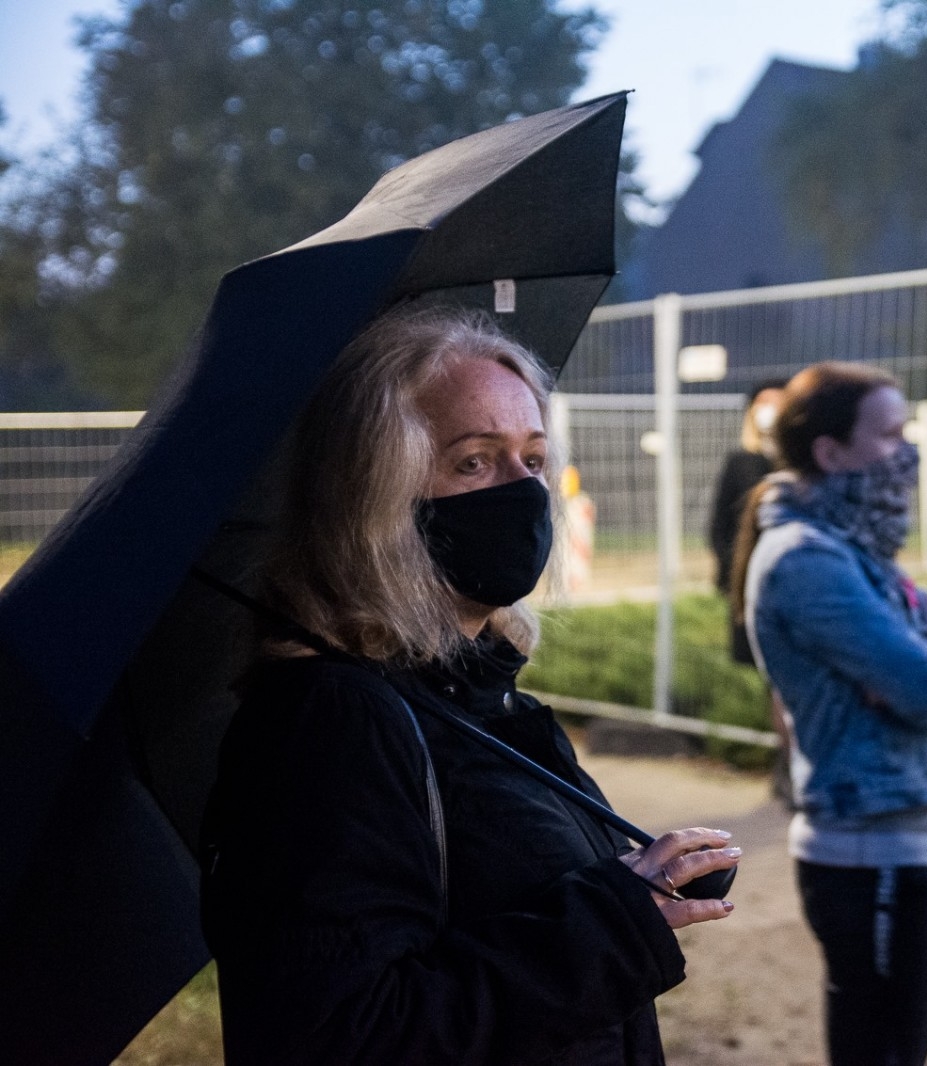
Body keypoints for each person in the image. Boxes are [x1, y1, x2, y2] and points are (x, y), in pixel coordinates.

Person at [199, 308, 740, 1066]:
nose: (522, 493)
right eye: (473, 462)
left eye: (532, 459)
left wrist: (635, 887)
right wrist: (613, 923)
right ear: (376, 497)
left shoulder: (482, 699)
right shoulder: (330, 722)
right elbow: (343, 1035)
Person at [731, 361, 927, 1066]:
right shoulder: (808, 561)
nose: (907, 450)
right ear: (830, 452)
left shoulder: (852, 548)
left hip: (909, 840)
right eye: (891, 433)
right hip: (870, 847)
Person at [708, 377, 797, 805]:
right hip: (754, 590)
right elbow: (719, 530)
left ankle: (794, 762)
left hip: (794, 585)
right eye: (762, 403)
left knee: (789, 680)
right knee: (776, 680)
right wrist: (736, 580)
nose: (769, 411)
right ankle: (788, 762)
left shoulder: (798, 462)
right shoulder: (742, 462)